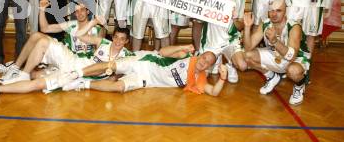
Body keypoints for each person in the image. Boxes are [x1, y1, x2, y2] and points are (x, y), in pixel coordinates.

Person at [0, 25, 134, 98]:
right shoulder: (103, 42)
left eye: (122, 39)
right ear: (112, 37)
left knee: (37, 84)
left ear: (127, 41)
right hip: (73, 60)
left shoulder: (125, 58)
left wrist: (86, 85)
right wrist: (94, 22)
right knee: (41, 41)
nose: (118, 41)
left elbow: (113, 80)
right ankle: (22, 73)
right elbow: (79, 34)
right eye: (116, 37)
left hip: (75, 76)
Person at [0, 0, 101, 84]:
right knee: (36, 35)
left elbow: (100, 56)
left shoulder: (97, 29)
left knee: (36, 75)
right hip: (68, 57)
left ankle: (24, 74)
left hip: (82, 64)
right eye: (77, 11)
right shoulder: (71, 25)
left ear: (88, 11)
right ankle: (16, 68)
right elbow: (45, 28)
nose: (79, 13)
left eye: (82, 10)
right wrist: (42, 9)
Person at [62, 49, 227, 97]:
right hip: (145, 61)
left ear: (209, 67)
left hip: (146, 79)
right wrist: (182, 48)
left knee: (119, 88)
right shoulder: (186, 57)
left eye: (208, 62)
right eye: (204, 57)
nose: (203, 61)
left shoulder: (199, 78)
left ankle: (82, 84)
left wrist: (222, 78)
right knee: (112, 66)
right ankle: (76, 73)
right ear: (200, 55)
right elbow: (162, 51)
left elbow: (213, 92)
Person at [185, 0, 246, 83]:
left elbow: (240, 26)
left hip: (229, 40)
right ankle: (216, 59)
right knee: (203, 74)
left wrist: (234, 19)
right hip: (211, 41)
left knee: (242, 65)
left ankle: (230, 64)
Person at [243, 0, 310, 105]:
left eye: (278, 11)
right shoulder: (265, 24)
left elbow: (291, 57)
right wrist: (247, 27)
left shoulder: (294, 27)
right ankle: (272, 77)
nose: (274, 14)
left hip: (295, 59)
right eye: (271, 10)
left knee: (293, 71)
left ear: (285, 12)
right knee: (247, 56)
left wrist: (274, 41)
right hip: (276, 55)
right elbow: (248, 48)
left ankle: (299, 86)